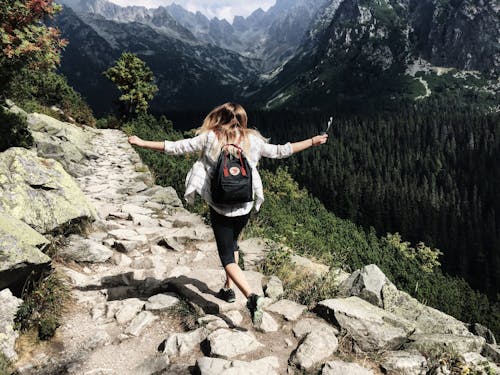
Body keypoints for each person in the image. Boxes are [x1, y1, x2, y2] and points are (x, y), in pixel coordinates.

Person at [128, 102, 328, 325]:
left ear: (218, 118)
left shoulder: (210, 137)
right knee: (233, 244)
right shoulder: (253, 139)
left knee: (226, 256)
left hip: (220, 206)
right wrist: (313, 141)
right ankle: (227, 288)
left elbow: (176, 147)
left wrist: (142, 142)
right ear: (243, 119)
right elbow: (282, 151)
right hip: (244, 204)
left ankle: (251, 297)